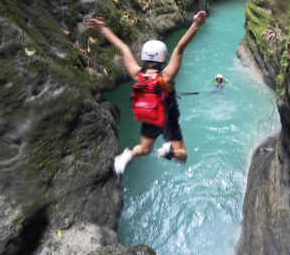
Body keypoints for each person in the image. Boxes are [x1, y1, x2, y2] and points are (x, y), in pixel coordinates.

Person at [88, 11, 207, 175]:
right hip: (167, 119)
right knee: (182, 156)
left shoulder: (138, 75)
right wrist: (195, 25)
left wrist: (103, 29)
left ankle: (127, 155)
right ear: (163, 57)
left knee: (144, 149)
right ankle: (169, 151)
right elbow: (179, 48)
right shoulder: (166, 77)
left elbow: (123, 48)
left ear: (143, 57)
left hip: (149, 117)